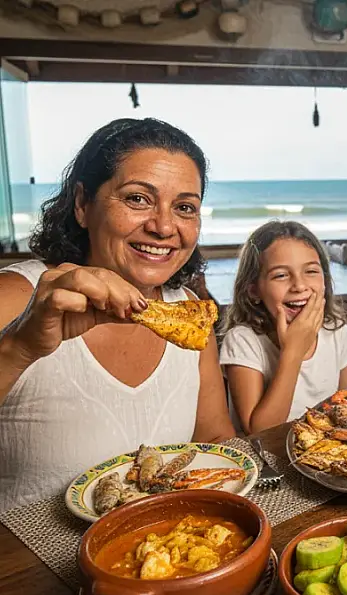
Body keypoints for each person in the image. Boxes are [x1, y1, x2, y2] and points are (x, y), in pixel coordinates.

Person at [0, 118, 235, 511]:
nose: (164, 226)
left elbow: (215, 441)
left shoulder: (189, 317)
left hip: (165, 542)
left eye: (184, 207)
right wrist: (20, 347)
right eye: (137, 199)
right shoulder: (16, 296)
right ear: (82, 204)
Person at [219, 221, 347, 433]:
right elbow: (260, 432)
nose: (299, 286)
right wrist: (293, 352)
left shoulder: (336, 331)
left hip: (323, 449)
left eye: (311, 271)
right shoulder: (242, 340)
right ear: (253, 290)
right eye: (281, 275)